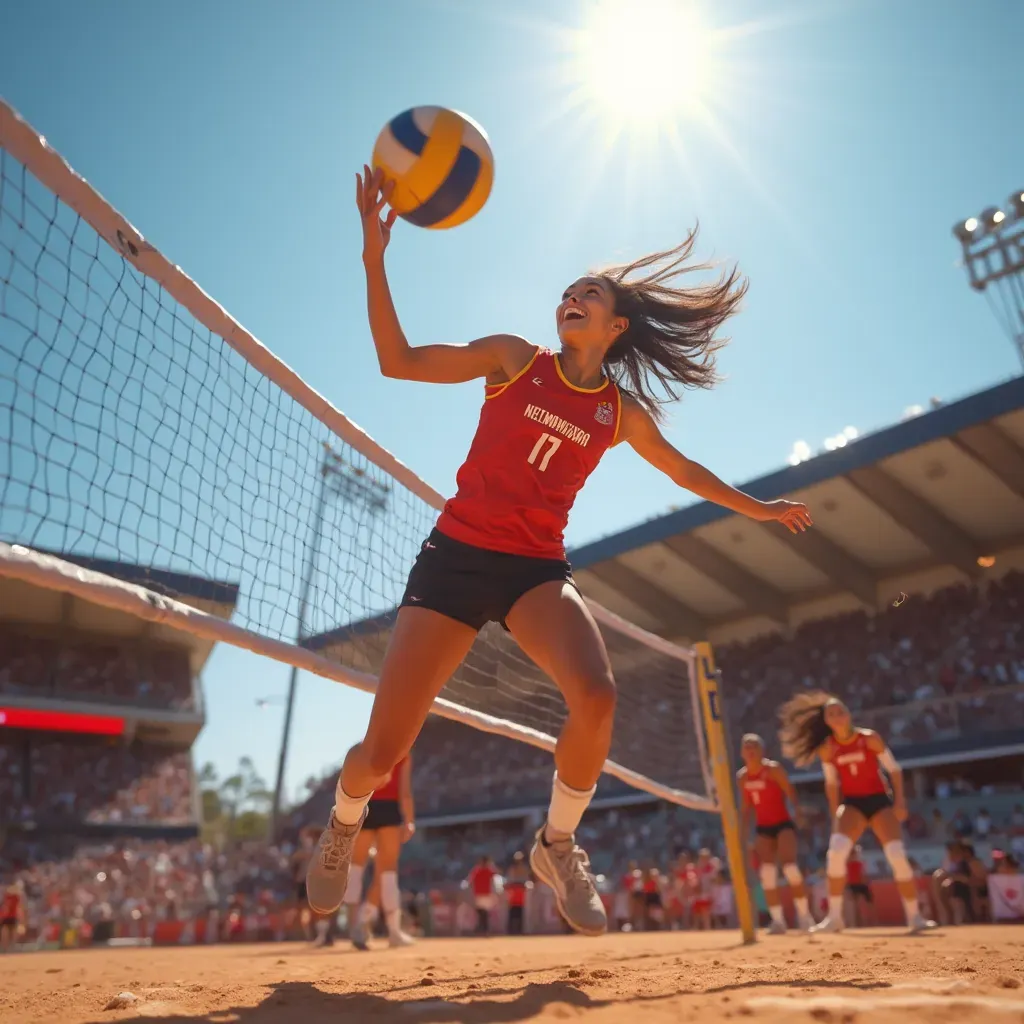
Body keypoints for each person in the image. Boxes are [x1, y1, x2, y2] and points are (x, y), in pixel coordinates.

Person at [305, 165, 814, 937]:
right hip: (454, 559)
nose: (571, 299)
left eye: (591, 296)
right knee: (379, 755)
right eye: (568, 292)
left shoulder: (617, 411)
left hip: (533, 571)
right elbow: (397, 361)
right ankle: (343, 824)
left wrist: (762, 508)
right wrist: (375, 256)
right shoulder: (515, 360)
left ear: (615, 329)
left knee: (599, 694)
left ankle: (558, 843)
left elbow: (685, 471)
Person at [779, 692, 936, 934]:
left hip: (879, 801)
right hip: (852, 804)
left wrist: (900, 802)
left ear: (848, 714)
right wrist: (835, 815)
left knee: (896, 855)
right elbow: (832, 784)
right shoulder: (828, 748)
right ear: (827, 721)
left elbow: (894, 770)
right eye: (832, 714)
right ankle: (834, 918)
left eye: (841, 711)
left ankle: (915, 917)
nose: (838, 716)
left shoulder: (869, 738)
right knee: (836, 855)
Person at [737, 733, 813, 934]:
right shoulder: (743, 777)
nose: (751, 750)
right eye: (747, 747)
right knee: (768, 874)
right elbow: (746, 807)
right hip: (763, 828)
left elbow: (789, 791)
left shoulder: (773, 769)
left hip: (783, 824)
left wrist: (797, 812)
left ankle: (805, 917)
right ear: (742, 753)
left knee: (790, 868)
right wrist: (742, 835)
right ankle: (778, 921)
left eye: (754, 746)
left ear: (762, 751)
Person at [343, 755, 416, 950]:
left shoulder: (365, 749)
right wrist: (409, 820)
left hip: (362, 804)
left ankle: (355, 926)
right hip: (388, 809)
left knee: (356, 867)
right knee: (388, 871)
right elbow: (405, 792)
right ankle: (393, 932)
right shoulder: (402, 754)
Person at [467, 856, 498, 935]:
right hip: (484, 894)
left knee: (482, 913)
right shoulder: (487, 870)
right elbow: (496, 875)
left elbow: (470, 882)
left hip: (481, 894)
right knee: (484, 913)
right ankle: (483, 929)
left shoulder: (477, 870)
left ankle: (482, 928)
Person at [505, 851, 530, 935]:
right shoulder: (512, 869)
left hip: (520, 893)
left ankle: (519, 930)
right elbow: (509, 881)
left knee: (520, 912)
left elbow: (526, 881)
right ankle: (511, 930)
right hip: (513, 893)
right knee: (512, 912)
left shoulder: (524, 869)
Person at [0, 883, 25, 953]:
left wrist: (21, 919)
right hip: (6, 917)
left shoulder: (16, 897)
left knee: (13, 934)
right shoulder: (6, 896)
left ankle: (11, 949)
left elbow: (19, 907)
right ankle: (5, 949)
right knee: (4, 934)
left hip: (13, 917)